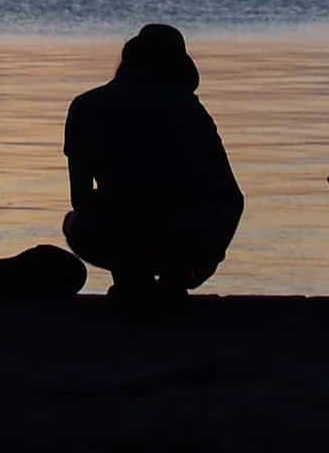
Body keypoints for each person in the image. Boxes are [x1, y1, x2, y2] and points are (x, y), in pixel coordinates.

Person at [63, 23, 242, 298]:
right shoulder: (188, 109)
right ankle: (174, 280)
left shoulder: (85, 106)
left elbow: (81, 199)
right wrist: (208, 259)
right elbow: (231, 197)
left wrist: (122, 199)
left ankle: (131, 279)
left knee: (75, 221)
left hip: (116, 237)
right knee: (194, 210)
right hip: (182, 239)